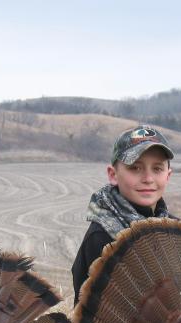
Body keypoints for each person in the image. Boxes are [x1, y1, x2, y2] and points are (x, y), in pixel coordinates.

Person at [71, 125, 175, 303]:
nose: (148, 179)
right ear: (113, 175)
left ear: (168, 176)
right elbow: (88, 316)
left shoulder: (177, 230)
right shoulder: (101, 237)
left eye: (157, 169)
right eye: (135, 168)